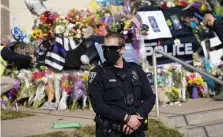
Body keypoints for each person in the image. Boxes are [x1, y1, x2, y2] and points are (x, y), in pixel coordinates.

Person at [88, 32, 156, 137]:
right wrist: (127, 118)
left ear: (122, 49)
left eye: (112, 48)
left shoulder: (135, 70)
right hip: (111, 132)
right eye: (105, 48)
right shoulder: (98, 73)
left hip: (136, 130)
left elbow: (150, 98)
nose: (107, 51)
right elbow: (99, 106)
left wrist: (136, 117)